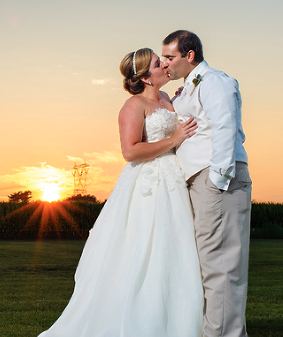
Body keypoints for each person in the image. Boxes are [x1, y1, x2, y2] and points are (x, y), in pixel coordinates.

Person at [39, 48, 204, 337]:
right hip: (149, 185)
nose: (164, 64)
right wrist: (174, 139)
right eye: (157, 63)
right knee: (145, 248)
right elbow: (130, 151)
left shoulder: (168, 99)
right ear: (145, 77)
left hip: (174, 181)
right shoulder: (133, 106)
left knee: (176, 248)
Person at [161, 30, 252, 337]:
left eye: (170, 57)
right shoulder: (187, 88)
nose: (165, 63)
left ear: (190, 56)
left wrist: (218, 181)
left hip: (216, 180)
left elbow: (226, 128)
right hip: (198, 180)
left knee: (221, 265)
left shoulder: (215, 81)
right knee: (206, 263)